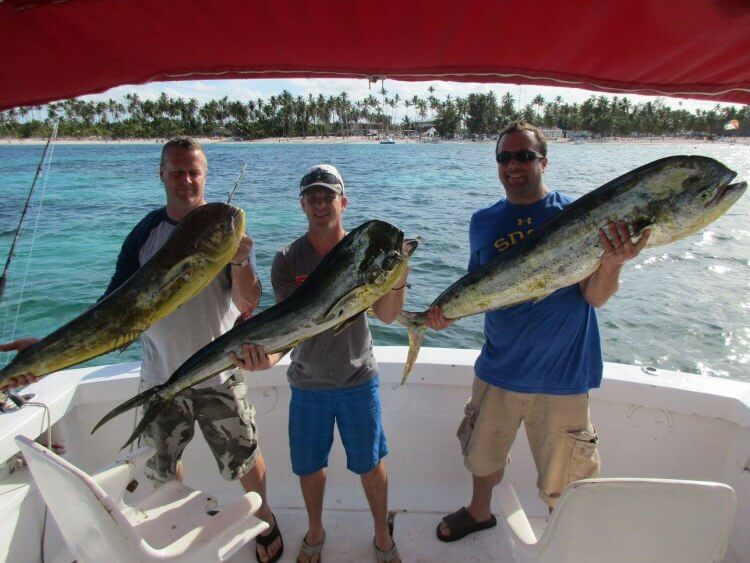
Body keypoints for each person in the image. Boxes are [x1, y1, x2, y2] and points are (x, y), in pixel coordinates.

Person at [0, 137, 283, 563]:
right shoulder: (144, 234)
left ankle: (268, 520)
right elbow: (111, 309)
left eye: (194, 172)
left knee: (244, 457)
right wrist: (48, 349)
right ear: (162, 174)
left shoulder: (227, 230)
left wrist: (240, 261)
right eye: (177, 171)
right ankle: (177, 517)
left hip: (218, 372)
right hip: (161, 376)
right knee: (162, 465)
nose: (186, 180)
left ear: (204, 175)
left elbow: (249, 302)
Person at [428, 122, 650, 542]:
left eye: (524, 156)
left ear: (544, 161)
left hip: (562, 376)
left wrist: (613, 264)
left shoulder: (578, 215)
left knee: (566, 476)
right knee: (482, 457)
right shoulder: (483, 221)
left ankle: (566, 537)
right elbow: (480, 288)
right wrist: (447, 315)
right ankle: (479, 512)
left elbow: (595, 298)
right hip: (499, 367)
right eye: (505, 157)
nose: (514, 165)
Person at [231, 164, 407, 563]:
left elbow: (388, 315)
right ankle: (315, 529)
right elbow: (287, 328)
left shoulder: (367, 253)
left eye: (328, 196)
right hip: (308, 383)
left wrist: (398, 276)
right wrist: (266, 358)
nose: (320, 203)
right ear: (302, 205)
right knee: (310, 466)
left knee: (370, 463)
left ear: (343, 202)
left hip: (358, 378)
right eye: (312, 197)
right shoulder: (287, 259)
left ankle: (382, 533)